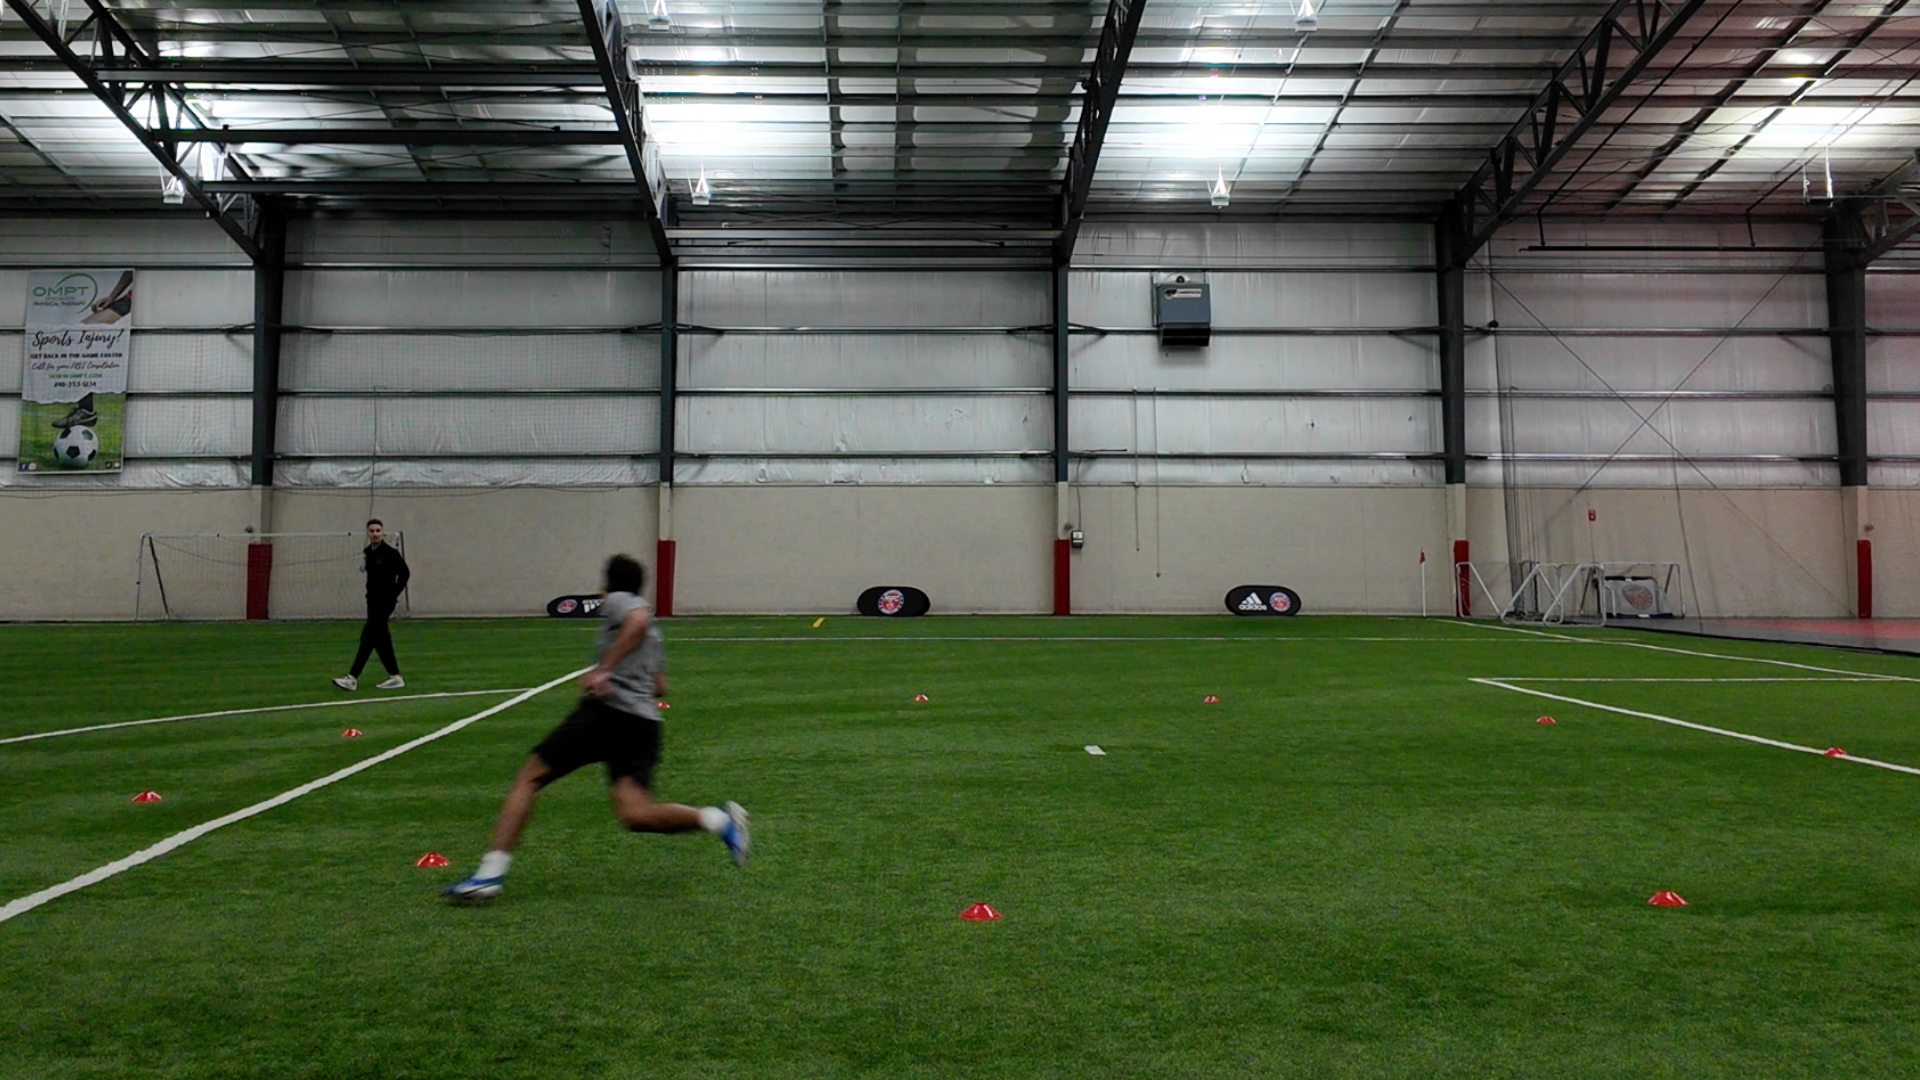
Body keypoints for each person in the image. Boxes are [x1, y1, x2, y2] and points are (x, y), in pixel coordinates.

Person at [443, 554, 748, 903]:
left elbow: (638, 619)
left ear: (606, 585)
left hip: (607, 715)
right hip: (643, 724)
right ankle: (719, 821)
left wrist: (605, 669)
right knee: (634, 814)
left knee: (530, 776)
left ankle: (489, 875)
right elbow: (660, 686)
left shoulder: (622, 602)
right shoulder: (657, 638)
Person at [333, 519, 409, 691]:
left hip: (384, 603)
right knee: (381, 640)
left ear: (382, 532)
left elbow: (405, 574)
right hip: (372, 602)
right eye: (372, 531)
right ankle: (395, 676)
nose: (375, 534)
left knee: (368, 637)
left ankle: (352, 677)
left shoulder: (390, 553)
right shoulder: (369, 552)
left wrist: (393, 594)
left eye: (378, 530)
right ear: (368, 533)